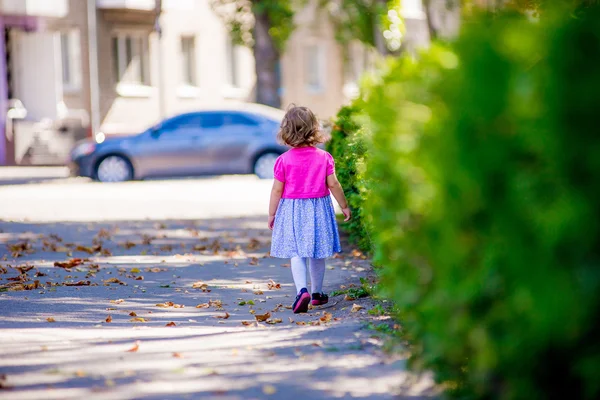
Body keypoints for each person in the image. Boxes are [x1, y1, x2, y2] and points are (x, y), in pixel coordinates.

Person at [268, 106, 351, 314]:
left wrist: (272, 213)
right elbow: (333, 184)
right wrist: (344, 205)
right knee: (317, 252)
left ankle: (301, 291)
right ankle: (317, 293)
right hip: (318, 209)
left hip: (292, 210)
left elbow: (277, 190)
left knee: (297, 252)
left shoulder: (283, 160)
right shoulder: (324, 157)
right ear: (314, 130)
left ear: (286, 132)